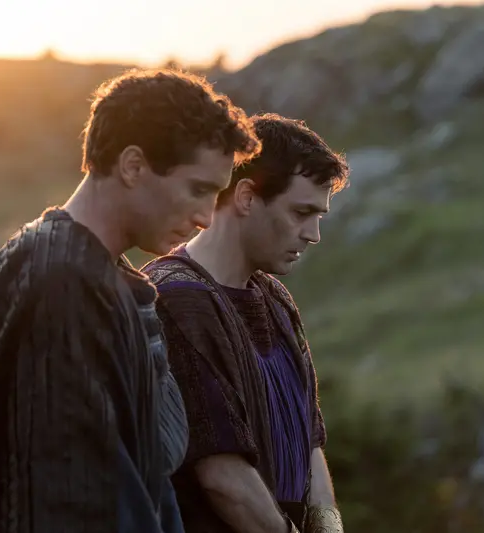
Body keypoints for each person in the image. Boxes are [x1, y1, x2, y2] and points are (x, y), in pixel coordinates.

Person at [0, 68, 261, 533]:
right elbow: (74, 503)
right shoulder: (62, 283)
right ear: (133, 166)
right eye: (198, 189)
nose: (207, 217)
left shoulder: (81, 270)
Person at [142, 113, 350, 533]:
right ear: (247, 197)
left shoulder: (275, 298)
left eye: (319, 216)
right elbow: (222, 476)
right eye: (301, 212)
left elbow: (310, 441)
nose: (313, 234)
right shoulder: (175, 299)